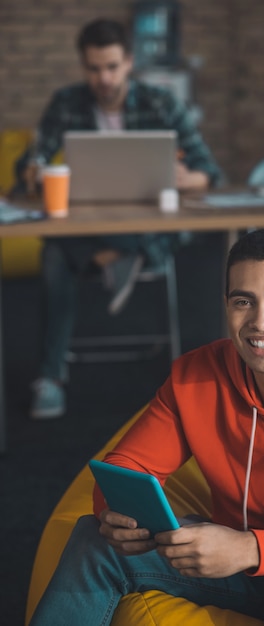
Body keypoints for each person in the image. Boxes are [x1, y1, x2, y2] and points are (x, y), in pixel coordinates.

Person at [28, 227, 264, 625]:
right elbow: (127, 466)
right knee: (93, 538)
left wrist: (251, 548)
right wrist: (117, 516)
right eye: (243, 301)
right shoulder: (198, 375)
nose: (261, 320)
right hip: (240, 570)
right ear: (226, 306)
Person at [15, 18, 222, 420]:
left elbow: (209, 172)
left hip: (149, 222)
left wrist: (187, 178)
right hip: (91, 227)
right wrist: (34, 170)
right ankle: (50, 377)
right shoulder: (66, 103)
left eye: (111, 67)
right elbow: (29, 163)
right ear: (83, 66)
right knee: (52, 248)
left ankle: (117, 254)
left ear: (129, 62)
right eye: (93, 69)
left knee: (64, 252)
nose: (103, 78)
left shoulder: (160, 103)